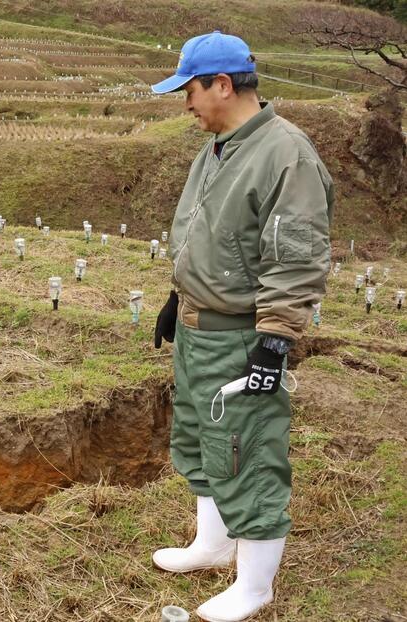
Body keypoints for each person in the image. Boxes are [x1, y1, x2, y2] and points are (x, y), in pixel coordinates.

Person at [149, 31, 334, 622]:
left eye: (191, 91)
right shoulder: (219, 146)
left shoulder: (286, 155)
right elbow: (211, 235)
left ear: (223, 85)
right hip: (202, 329)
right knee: (204, 440)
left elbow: (297, 256)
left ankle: (255, 586)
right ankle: (212, 545)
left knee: (248, 452)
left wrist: (274, 342)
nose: (186, 105)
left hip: (243, 336)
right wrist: (178, 300)